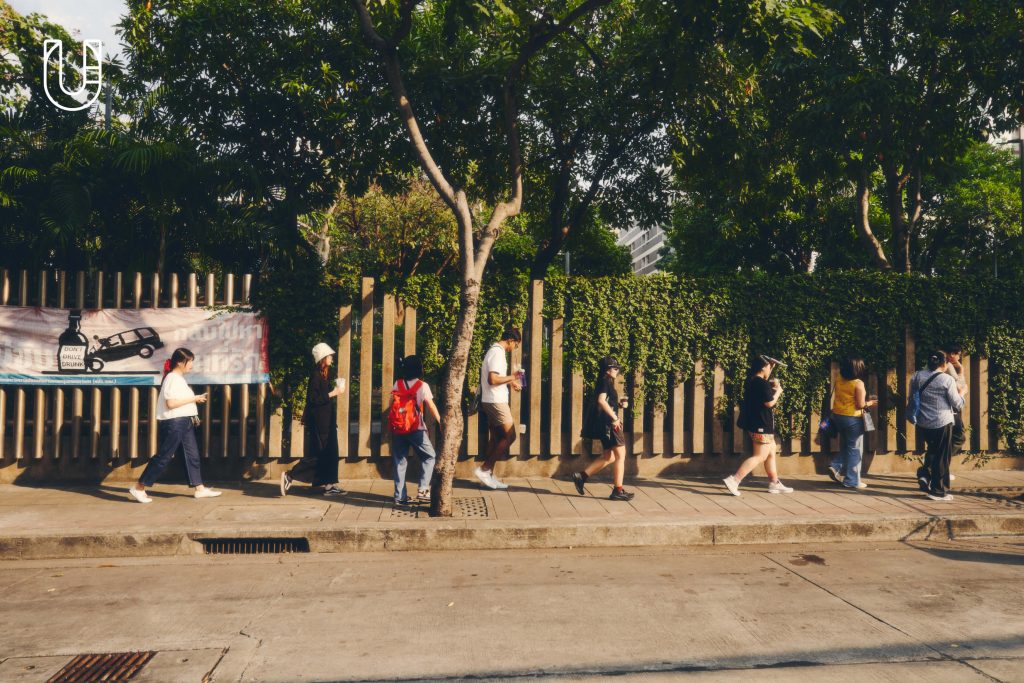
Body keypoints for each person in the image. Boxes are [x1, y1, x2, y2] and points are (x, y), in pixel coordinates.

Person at [128, 348, 220, 503]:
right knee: (164, 455)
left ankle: (199, 488)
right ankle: (139, 487)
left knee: (192, 455)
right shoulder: (172, 378)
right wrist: (194, 399)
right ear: (180, 362)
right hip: (175, 421)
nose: (191, 364)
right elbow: (171, 403)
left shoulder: (178, 378)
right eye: (189, 361)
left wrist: (194, 399)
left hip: (183, 421)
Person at [280, 343, 345, 497]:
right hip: (320, 422)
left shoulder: (324, 374)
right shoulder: (316, 375)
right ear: (322, 358)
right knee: (321, 454)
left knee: (331, 453)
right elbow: (313, 399)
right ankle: (290, 475)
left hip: (326, 421)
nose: (331, 358)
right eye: (329, 356)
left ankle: (329, 485)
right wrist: (333, 393)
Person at [723, 356, 793, 496]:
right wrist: (778, 391)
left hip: (754, 423)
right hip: (762, 424)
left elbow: (763, 393)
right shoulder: (761, 384)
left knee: (771, 451)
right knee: (760, 456)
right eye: (769, 367)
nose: (770, 369)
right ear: (763, 368)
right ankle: (734, 480)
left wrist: (770, 372)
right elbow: (769, 403)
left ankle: (774, 483)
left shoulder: (752, 381)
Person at [572, 356, 634, 501]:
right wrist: (615, 418)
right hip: (610, 424)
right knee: (620, 456)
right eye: (615, 368)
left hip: (605, 423)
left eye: (618, 368)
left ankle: (581, 476)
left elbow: (605, 401)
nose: (617, 371)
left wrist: (618, 405)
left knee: (609, 456)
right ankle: (618, 491)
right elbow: (600, 401)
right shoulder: (605, 381)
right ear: (607, 370)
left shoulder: (606, 382)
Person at [913, 350, 966, 501]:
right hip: (942, 422)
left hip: (923, 422)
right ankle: (937, 491)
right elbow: (957, 404)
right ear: (944, 364)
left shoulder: (917, 376)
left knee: (934, 452)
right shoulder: (946, 380)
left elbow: (914, 396)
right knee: (941, 457)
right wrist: (962, 393)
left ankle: (927, 478)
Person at [475, 326, 522, 490]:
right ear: (511, 340)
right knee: (510, 436)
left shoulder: (494, 351)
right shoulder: (497, 352)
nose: (513, 349)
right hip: (496, 401)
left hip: (492, 399)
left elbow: (495, 378)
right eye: (515, 345)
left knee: (495, 438)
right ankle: (484, 469)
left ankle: (488, 476)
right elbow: (493, 379)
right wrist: (513, 376)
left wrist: (511, 382)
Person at [389, 355, 441, 505]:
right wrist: (440, 421)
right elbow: (430, 405)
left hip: (398, 428)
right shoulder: (422, 385)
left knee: (400, 460)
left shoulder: (397, 384)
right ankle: (423, 490)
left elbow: (392, 403)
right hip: (415, 428)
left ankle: (400, 496)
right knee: (429, 456)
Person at [826, 357, 878, 489]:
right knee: (855, 449)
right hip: (852, 419)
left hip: (838, 416)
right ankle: (852, 480)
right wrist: (870, 403)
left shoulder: (839, 379)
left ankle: (835, 465)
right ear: (858, 369)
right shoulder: (858, 383)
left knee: (847, 446)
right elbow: (860, 404)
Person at [942, 343, 968, 481]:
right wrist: (962, 371)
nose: (958, 357)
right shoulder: (949, 366)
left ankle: (935, 464)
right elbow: (960, 387)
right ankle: (936, 464)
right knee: (958, 437)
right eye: (958, 354)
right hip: (951, 408)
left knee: (945, 440)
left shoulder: (937, 365)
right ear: (952, 354)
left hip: (944, 408)